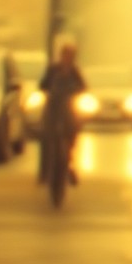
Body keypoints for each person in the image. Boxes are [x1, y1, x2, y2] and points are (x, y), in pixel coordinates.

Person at [39, 36, 87, 186]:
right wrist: (51, 91)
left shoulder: (74, 71)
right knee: (46, 136)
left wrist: (73, 91)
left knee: (72, 133)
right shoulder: (52, 69)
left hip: (68, 109)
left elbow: (83, 87)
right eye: (66, 54)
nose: (68, 57)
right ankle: (45, 172)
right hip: (53, 108)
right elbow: (42, 85)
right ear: (61, 55)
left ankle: (68, 166)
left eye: (71, 55)